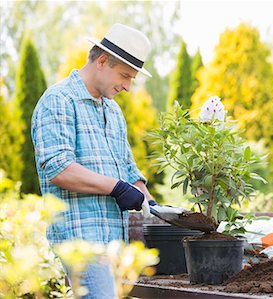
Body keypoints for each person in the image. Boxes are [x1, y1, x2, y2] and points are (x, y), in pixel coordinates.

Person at [31, 23, 156, 298]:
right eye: (125, 76)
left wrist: (147, 197)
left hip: (114, 242)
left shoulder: (112, 111)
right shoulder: (59, 100)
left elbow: (127, 167)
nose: (127, 87)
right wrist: (117, 187)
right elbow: (58, 168)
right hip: (81, 241)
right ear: (101, 61)